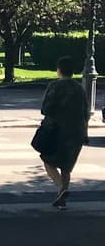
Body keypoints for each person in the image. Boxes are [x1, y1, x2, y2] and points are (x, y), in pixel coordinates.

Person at [39, 55, 89, 209]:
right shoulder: (79, 88)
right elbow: (85, 113)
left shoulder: (55, 86)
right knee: (66, 167)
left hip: (57, 132)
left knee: (48, 161)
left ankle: (61, 188)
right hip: (77, 132)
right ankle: (62, 200)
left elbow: (45, 109)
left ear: (58, 70)